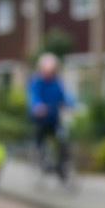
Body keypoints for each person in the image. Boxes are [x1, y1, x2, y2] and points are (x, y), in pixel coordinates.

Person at [27, 52, 74, 180]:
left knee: (63, 140)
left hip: (55, 118)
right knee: (40, 138)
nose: (49, 73)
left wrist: (71, 104)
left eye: (51, 70)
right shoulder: (37, 82)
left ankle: (62, 166)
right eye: (46, 70)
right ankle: (41, 159)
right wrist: (38, 106)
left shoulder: (57, 82)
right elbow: (34, 96)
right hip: (41, 118)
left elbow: (66, 95)